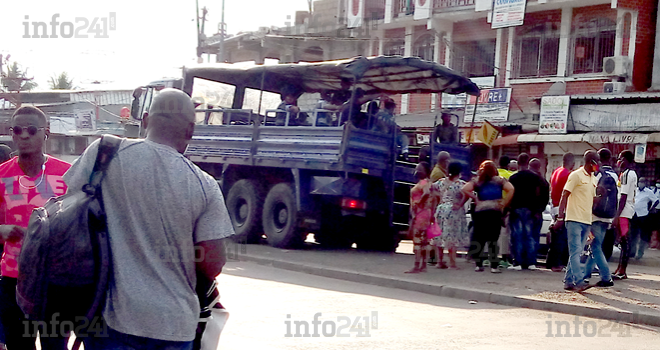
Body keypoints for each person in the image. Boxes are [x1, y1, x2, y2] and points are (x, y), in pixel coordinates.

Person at [64, 89, 234, 348]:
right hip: (175, 325)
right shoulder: (205, 184)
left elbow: (67, 214)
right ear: (190, 130)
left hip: (109, 317)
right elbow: (213, 263)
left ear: (144, 120)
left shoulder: (104, 153)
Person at [0, 106, 72, 349]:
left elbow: (82, 225)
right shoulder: (1, 175)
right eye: (17, 130)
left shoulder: (67, 174)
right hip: (13, 280)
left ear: (46, 133)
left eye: (32, 130)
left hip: (56, 281)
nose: (24, 136)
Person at [556, 150, 599, 292]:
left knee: (577, 252)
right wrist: (560, 216)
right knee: (575, 252)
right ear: (590, 162)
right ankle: (579, 282)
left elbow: (592, 199)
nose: (597, 165)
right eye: (596, 162)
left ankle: (568, 281)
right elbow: (564, 195)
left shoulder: (593, 178)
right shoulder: (575, 175)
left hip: (586, 220)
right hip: (573, 219)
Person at [462, 161, 514, 273]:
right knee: (493, 239)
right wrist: (504, 203)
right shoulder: (500, 180)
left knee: (479, 238)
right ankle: (494, 266)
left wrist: (475, 198)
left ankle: (478, 264)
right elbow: (511, 189)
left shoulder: (477, 181)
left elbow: (465, 189)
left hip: (480, 211)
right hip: (495, 211)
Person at [507, 156, 549, 271]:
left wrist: (506, 210)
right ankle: (531, 262)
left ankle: (518, 262)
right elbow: (544, 196)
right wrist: (538, 210)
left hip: (516, 209)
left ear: (518, 164)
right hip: (532, 211)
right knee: (531, 236)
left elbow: (509, 195)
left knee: (517, 236)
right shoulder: (538, 179)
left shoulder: (514, 178)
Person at [584, 148, 617, 288]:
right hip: (608, 216)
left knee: (595, 246)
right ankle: (584, 276)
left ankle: (606, 277)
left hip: (595, 215)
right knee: (595, 247)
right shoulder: (615, 175)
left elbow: (591, 194)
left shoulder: (597, 174)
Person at [433, 161, 468, 270]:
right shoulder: (460, 184)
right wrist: (460, 203)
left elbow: (431, 188)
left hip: (441, 209)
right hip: (453, 210)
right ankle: (452, 263)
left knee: (439, 235)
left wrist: (440, 198)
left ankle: (439, 262)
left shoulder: (441, 182)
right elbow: (467, 193)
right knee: (452, 236)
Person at [406, 162, 438, 273]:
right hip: (426, 213)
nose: (417, 171)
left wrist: (418, 203)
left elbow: (425, 193)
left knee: (418, 240)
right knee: (424, 241)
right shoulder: (428, 183)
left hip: (421, 214)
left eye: (419, 169)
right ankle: (423, 265)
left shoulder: (424, 182)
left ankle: (416, 265)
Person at [612, 150, 637, 280]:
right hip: (625, 210)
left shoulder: (627, 174)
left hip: (624, 211)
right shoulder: (625, 174)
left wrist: (617, 215)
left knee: (625, 240)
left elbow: (624, 196)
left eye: (621, 159)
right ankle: (619, 269)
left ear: (626, 160)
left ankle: (622, 271)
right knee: (623, 241)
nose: (619, 161)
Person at [547, 153, 575, 272]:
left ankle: (551, 261)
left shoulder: (556, 171)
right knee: (561, 238)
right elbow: (567, 194)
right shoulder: (568, 175)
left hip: (554, 207)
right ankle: (557, 264)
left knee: (555, 237)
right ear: (572, 163)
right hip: (562, 209)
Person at [631, 178, 658, 260]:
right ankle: (632, 252)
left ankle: (640, 253)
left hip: (643, 215)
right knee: (633, 234)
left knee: (643, 235)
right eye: (640, 181)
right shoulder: (635, 190)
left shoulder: (649, 192)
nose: (641, 183)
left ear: (646, 183)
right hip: (634, 214)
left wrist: (651, 208)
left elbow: (656, 201)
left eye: (642, 182)